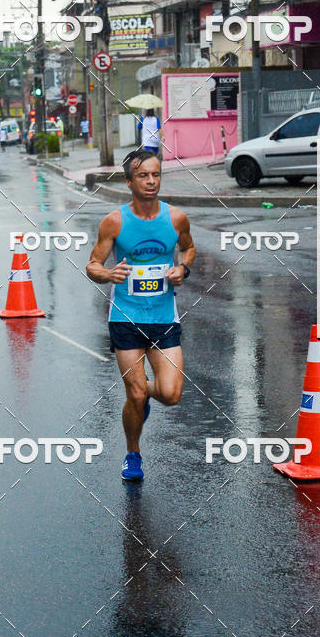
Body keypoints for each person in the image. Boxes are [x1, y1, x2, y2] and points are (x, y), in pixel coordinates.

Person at [86, 148, 196, 482]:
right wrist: (107, 275)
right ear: (129, 181)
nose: (151, 181)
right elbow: (93, 264)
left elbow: (189, 248)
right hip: (126, 318)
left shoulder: (175, 218)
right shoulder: (115, 221)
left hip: (164, 317)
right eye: (143, 176)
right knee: (133, 393)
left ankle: (142, 394)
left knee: (171, 394)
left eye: (156, 174)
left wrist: (183, 268)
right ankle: (133, 454)